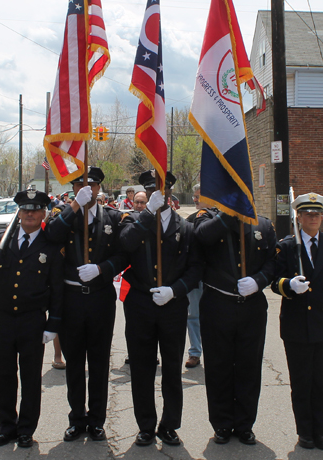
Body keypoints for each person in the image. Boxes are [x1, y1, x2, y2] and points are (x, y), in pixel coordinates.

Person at [0, 190, 64, 449]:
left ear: (44, 213)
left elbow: (57, 289)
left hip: (32, 320)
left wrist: (53, 324)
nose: (30, 214)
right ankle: (6, 426)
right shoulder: (2, 240)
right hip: (2, 318)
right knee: (3, 374)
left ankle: (26, 429)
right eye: (25, 209)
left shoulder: (50, 247)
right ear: (19, 213)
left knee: (31, 376)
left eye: (35, 209)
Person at [119, 170, 203, 447]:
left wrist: (174, 290)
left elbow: (194, 269)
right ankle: (145, 425)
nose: (159, 195)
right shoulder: (134, 221)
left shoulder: (186, 227)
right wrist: (147, 215)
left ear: (170, 193)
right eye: (152, 191)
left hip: (172, 305)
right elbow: (126, 244)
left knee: (171, 369)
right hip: (140, 303)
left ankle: (168, 425)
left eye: (162, 191)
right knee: (142, 368)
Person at [45, 166, 127, 443]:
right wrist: (73, 209)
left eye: (90, 185)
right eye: (80, 185)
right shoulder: (63, 216)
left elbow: (123, 254)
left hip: (100, 299)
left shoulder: (112, 218)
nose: (85, 189)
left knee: (100, 362)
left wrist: (103, 268)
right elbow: (51, 236)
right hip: (71, 300)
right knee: (75, 363)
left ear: (98, 188)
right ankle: (76, 418)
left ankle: (96, 420)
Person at [272, 193, 323, 451]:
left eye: (317, 214)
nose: (313, 218)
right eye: (308, 214)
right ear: (299, 217)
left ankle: (321, 430)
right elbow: (274, 282)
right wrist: (289, 285)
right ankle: (305, 432)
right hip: (298, 326)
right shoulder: (286, 246)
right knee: (302, 383)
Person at [193, 205, 276, 446]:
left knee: (249, 367)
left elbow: (272, 262)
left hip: (252, 307)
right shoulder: (207, 218)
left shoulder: (263, 224)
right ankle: (221, 423)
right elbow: (202, 237)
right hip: (218, 305)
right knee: (219, 367)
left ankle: (245, 424)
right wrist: (230, 212)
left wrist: (259, 281)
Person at [184, 184, 211, 369]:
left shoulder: (218, 219)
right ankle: (195, 352)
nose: (194, 199)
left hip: (213, 277)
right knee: (193, 315)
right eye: (193, 196)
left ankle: (214, 351)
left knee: (213, 316)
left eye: (198, 196)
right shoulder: (190, 220)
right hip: (194, 277)